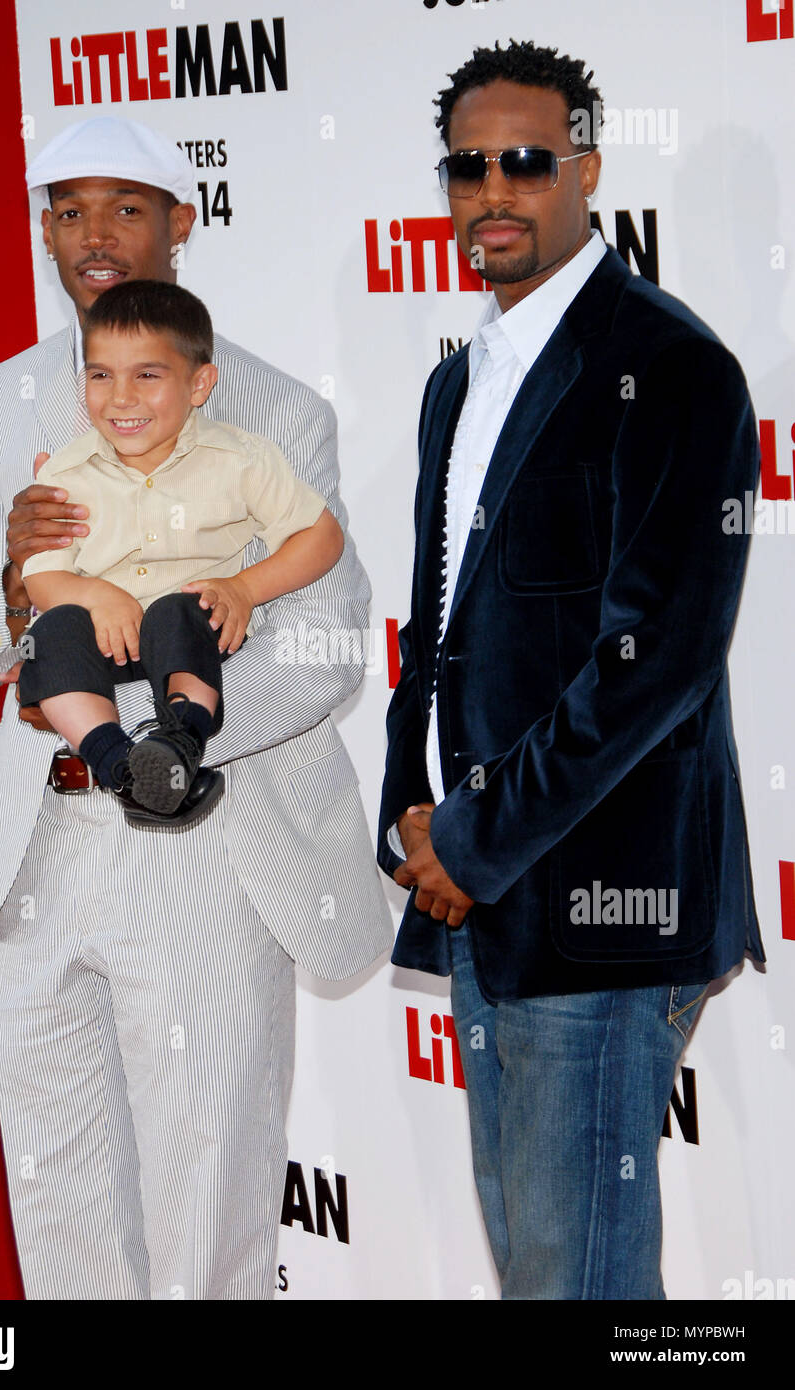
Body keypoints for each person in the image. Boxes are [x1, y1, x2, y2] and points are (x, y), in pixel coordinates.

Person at [0, 115, 391, 1300]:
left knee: (206, 1203)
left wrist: (162, 740)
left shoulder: (273, 412)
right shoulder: (1, 400)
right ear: (43, 229)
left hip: (196, 838)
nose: (94, 234)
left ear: (182, 226)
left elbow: (329, 644)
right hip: (41, 839)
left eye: (126, 207)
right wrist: (8, 586)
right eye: (68, 209)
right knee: (61, 1198)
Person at [377, 40, 764, 1300]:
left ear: (585, 168)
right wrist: (408, 810)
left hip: (601, 906)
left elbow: (655, 666)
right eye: (468, 164)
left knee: (577, 1286)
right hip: (482, 893)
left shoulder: (673, 368)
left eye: (526, 161)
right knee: (537, 1267)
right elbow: (439, 619)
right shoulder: (457, 381)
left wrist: (474, 833)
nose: (494, 188)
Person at [18, 278, 342, 824]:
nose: (121, 397)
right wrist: (95, 594)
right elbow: (42, 577)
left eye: (147, 375)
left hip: (194, 643)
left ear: (200, 384)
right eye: (101, 375)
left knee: (177, 608)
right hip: (105, 648)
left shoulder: (238, 458)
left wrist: (244, 589)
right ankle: (120, 766)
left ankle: (180, 745)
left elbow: (322, 536)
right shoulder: (64, 473)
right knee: (49, 635)